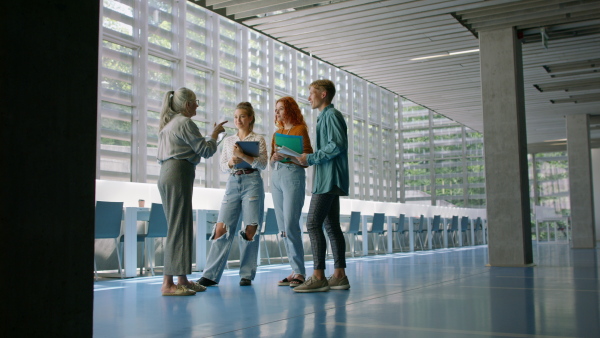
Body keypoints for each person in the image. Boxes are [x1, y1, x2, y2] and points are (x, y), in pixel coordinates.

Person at [157, 87, 226, 296]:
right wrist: (214, 135)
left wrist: (210, 136)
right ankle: (168, 284)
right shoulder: (185, 122)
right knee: (178, 227)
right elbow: (205, 150)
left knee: (179, 225)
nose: (197, 105)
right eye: (196, 102)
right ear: (187, 104)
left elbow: (193, 146)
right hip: (179, 172)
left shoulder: (170, 123)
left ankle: (182, 279)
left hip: (169, 172)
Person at [198, 102, 268, 287]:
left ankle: (246, 274)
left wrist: (244, 156)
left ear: (250, 118)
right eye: (236, 117)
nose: (238, 120)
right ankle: (210, 275)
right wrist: (230, 161)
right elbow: (222, 166)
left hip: (252, 182)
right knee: (220, 229)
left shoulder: (258, 139)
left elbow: (262, 164)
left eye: (242, 116)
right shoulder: (228, 141)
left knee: (250, 229)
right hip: (232, 182)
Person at [293, 79, 350, 293]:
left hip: (329, 179)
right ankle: (339, 275)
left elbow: (336, 145)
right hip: (328, 178)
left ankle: (318, 276)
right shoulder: (325, 117)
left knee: (313, 223)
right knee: (331, 226)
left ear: (323, 94)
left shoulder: (331, 116)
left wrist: (312, 158)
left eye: (311, 93)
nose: (308, 98)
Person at [270, 96, 313, 288]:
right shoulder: (277, 133)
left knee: (291, 223)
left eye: (281, 109)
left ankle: (300, 272)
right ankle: (294, 269)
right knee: (283, 227)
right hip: (276, 175)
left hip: (293, 174)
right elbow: (271, 160)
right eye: (276, 109)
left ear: (290, 110)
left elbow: (308, 156)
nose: (278, 113)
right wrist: (274, 156)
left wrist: (291, 156)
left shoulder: (300, 129)